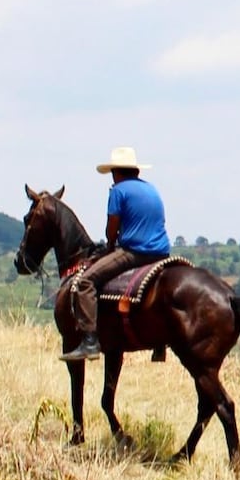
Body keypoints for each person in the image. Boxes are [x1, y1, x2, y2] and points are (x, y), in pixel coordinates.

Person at [66, 146, 172, 360]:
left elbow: (112, 229)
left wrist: (110, 246)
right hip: (162, 253)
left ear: (116, 172)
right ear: (136, 171)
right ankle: (160, 343)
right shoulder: (151, 189)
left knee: (85, 283)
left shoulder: (118, 191)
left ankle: (89, 342)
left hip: (136, 252)